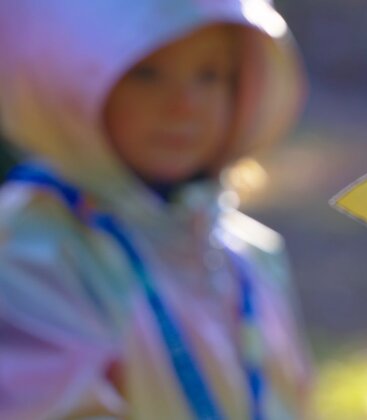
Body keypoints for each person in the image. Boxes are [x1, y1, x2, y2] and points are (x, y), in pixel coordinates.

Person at [0, 1, 313, 418]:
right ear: (69, 73)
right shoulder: (33, 248)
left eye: (210, 75)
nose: (184, 105)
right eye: (147, 74)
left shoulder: (249, 254)